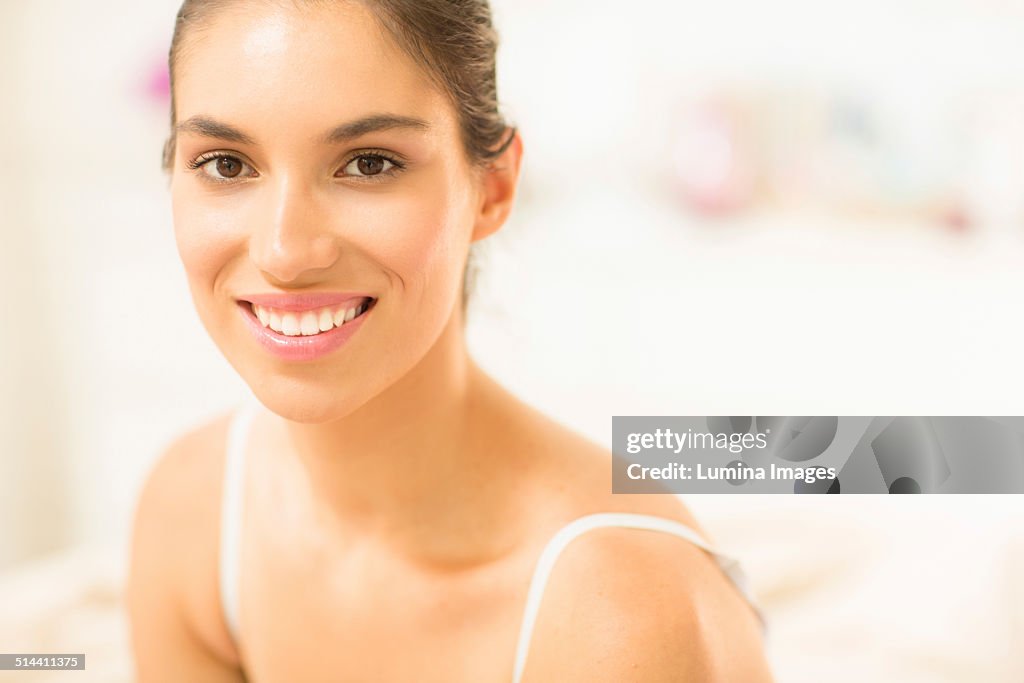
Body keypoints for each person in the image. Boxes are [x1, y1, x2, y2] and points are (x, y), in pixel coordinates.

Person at [127, 1, 774, 680]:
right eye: (227, 165)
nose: (287, 251)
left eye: (369, 163)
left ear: (493, 188)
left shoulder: (624, 611)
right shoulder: (193, 510)